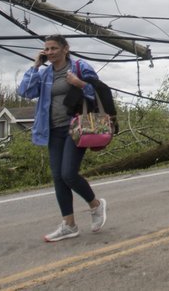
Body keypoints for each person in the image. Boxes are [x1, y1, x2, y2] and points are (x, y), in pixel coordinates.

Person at [17, 34, 109, 242]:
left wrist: (79, 83)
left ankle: (96, 205)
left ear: (65, 49)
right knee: (58, 177)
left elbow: (99, 91)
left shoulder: (79, 67)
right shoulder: (45, 73)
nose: (49, 52)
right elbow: (25, 92)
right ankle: (69, 224)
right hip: (52, 129)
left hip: (76, 128)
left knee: (68, 174)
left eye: (53, 48)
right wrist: (35, 66)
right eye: (46, 49)